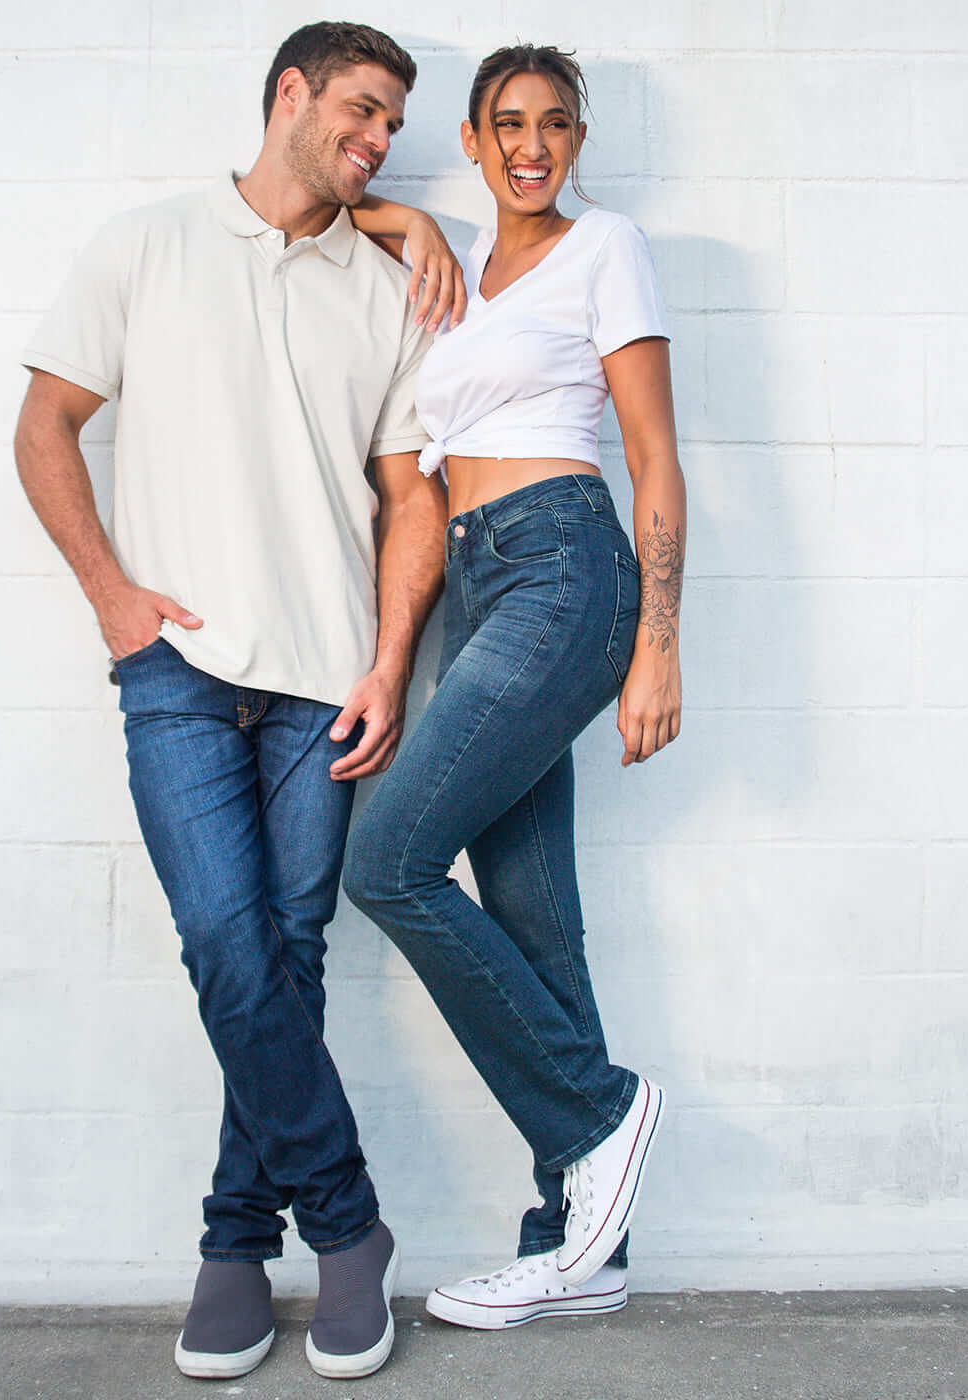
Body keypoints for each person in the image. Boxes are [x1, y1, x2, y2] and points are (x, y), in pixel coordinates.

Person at [11, 21, 467, 1382]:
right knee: (227, 944)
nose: (380, 138)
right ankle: (348, 1228)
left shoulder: (391, 286)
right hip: (182, 672)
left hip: (327, 680)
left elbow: (410, 500)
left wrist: (388, 664)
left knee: (284, 963)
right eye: (365, 110)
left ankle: (229, 1242)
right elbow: (44, 427)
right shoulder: (145, 245)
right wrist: (113, 596)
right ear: (291, 95)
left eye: (393, 124)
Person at [341, 43, 687, 1331]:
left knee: (387, 862)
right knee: (530, 909)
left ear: (577, 141)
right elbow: (329, 201)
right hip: (477, 587)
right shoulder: (457, 273)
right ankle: (577, 1241)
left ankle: (600, 1113)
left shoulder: (610, 251)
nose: (532, 147)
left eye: (554, 125)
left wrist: (656, 642)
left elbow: (656, 458)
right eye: (507, 128)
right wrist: (407, 213)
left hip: (564, 567)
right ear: (478, 146)